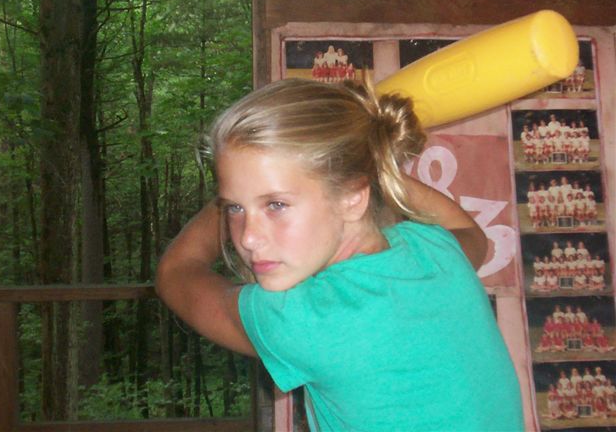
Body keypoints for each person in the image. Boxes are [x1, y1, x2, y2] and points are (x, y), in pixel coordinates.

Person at [155, 78, 524, 431]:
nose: (249, 237)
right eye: (234, 208)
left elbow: (176, 272)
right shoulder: (434, 253)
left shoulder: (307, 317)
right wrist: (374, 164)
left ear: (353, 197)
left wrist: (235, 192)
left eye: (276, 205)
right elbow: (472, 235)